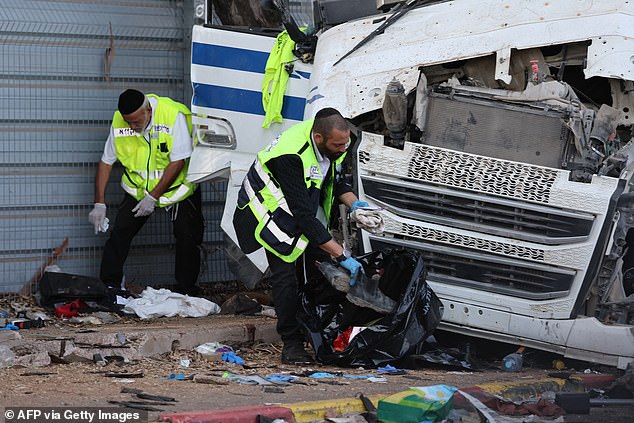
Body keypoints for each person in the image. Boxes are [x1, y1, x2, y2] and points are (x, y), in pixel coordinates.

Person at [232, 107, 368, 364]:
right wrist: (342, 254)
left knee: (317, 270)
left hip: (296, 209)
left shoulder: (333, 143)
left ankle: (316, 333)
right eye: (338, 145)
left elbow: (335, 181)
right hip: (268, 212)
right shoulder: (290, 155)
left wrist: (357, 207)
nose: (343, 149)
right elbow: (303, 216)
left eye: (345, 143)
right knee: (286, 279)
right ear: (319, 138)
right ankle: (291, 345)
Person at [88, 89, 204, 296]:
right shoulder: (120, 122)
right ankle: (110, 285)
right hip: (138, 188)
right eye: (128, 122)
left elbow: (178, 162)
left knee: (187, 237)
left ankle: (187, 290)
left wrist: (153, 197)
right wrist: (100, 203)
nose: (132, 126)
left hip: (177, 189)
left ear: (148, 110)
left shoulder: (172, 115)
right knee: (120, 234)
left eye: (135, 121)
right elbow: (106, 161)